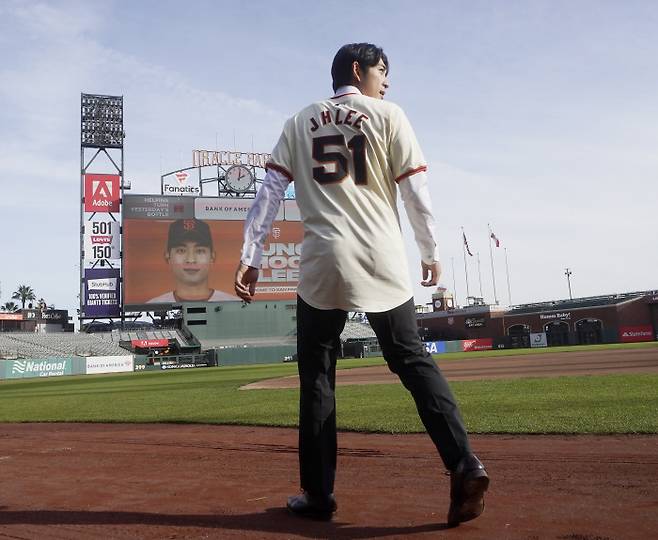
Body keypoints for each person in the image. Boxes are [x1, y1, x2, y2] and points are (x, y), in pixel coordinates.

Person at [234, 43, 489, 526]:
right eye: (382, 70)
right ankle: (464, 463)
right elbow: (416, 192)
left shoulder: (298, 120)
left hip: (323, 263)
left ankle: (318, 494)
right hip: (382, 258)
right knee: (411, 359)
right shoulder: (390, 115)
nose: (387, 81)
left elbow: (269, 190)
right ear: (357, 69)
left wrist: (252, 256)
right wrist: (431, 252)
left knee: (317, 375)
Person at [148, 218, 238, 303]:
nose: (191, 260)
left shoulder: (236, 306)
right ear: (167, 257)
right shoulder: (152, 307)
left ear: (212, 257)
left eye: (199, 251)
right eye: (181, 250)